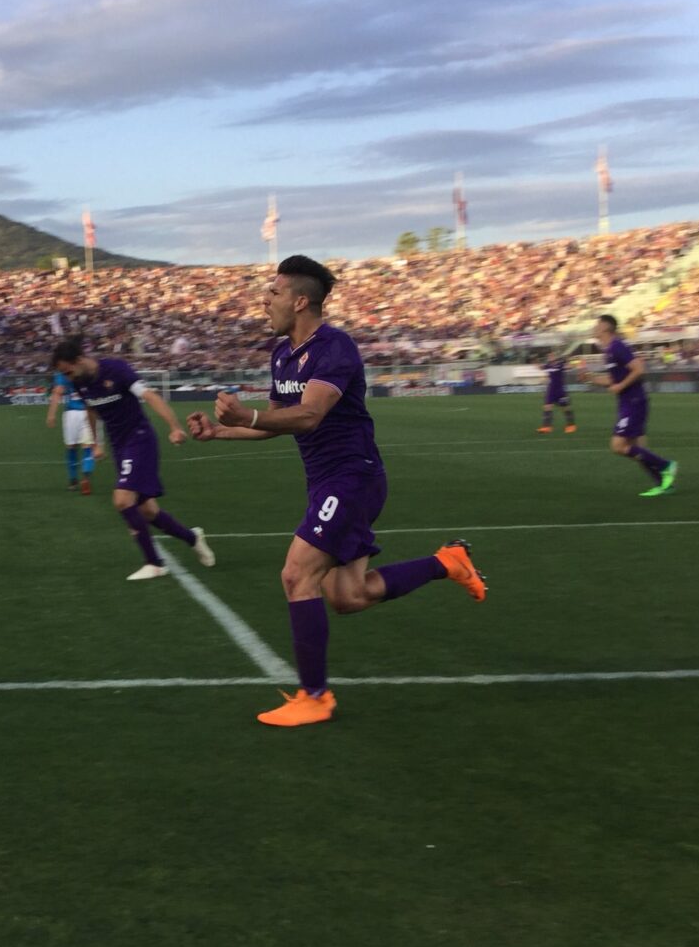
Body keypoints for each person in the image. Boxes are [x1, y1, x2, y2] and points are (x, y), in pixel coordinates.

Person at [187, 255, 485, 728]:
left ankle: (314, 696)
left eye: (274, 292)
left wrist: (249, 415)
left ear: (300, 301)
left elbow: (309, 415)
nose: (265, 300)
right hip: (326, 484)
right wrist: (220, 432)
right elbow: (275, 422)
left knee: (296, 574)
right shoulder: (282, 354)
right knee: (349, 596)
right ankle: (447, 562)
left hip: (352, 478)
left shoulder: (335, 347)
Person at [51, 336, 214, 580]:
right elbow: (91, 411)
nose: (68, 377)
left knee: (122, 500)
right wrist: (96, 443)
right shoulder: (80, 382)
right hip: (119, 446)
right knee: (147, 511)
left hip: (139, 439)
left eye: (68, 371)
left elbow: (150, 396)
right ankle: (193, 538)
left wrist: (174, 427)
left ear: (79, 360)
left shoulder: (116, 369)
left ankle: (154, 563)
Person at [589, 315, 677, 497]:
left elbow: (639, 369)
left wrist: (620, 386)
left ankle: (666, 465)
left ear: (605, 327)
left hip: (633, 402)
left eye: (597, 324)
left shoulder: (617, 346)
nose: (594, 327)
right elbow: (612, 380)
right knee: (638, 449)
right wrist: (591, 378)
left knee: (618, 446)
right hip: (628, 402)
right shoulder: (609, 351)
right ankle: (664, 485)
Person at [45, 365, 97, 493]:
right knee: (88, 446)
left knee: (71, 447)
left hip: (71, 413)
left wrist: (51, 414)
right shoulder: (86, 368)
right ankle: (86, 477)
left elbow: (57, 392)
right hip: (88, 412)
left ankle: (73, 481)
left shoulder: (62, 371)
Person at [537, 352, 576, 434]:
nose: (550, 357)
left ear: (555, 357)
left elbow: (570, 366)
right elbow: (540, 367)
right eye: (549, 356)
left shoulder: (560, 364)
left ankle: (571, 426)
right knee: (547, 407)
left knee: (565, 407)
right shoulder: (547, 365)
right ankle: (546, 427)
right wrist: (536, 363)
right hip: (551, 390)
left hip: (560, 390)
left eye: (552, 356)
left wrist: (570, 361)